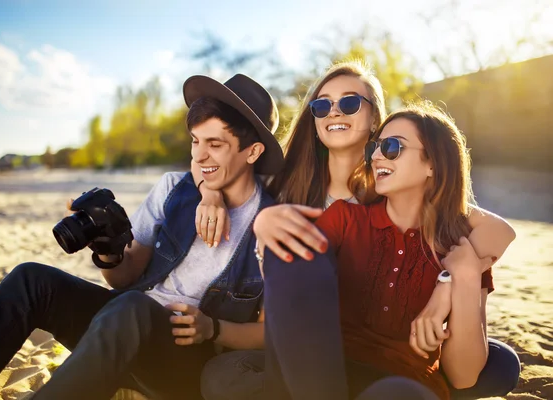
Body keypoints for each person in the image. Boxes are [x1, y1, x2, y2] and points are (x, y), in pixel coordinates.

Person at [197, 61, 520, 399]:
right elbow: (217, 170)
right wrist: (217, 197)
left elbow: (494, 227)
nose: (334, 112)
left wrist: (455, 279)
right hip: (310, 339)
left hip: (393, 363)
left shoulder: (406, 205)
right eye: (321, 106)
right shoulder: (294, 189)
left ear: (374, 121)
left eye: (350, 102)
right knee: (227, 374)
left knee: (497, 365)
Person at [0, 73, 285, 400]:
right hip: (119, 330)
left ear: (252, 152)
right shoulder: (174, 189)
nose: (199, 156)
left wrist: (210, 328)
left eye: (215, 144)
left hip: (184, 359)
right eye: (196, 141)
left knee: (132, 306)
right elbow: (123, 278)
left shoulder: (271, 224)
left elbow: (270, 333)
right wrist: (108, 250)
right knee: (32, 278)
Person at [260, 101, 515, 399]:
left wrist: (467, 278)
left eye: (393, 147)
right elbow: (288, 290)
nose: (377, 156)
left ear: (433, 164)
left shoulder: (463, 251)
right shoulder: (345, 218)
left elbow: (463, 377)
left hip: (405, 384)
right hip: (325, 373)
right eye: (375, 148)